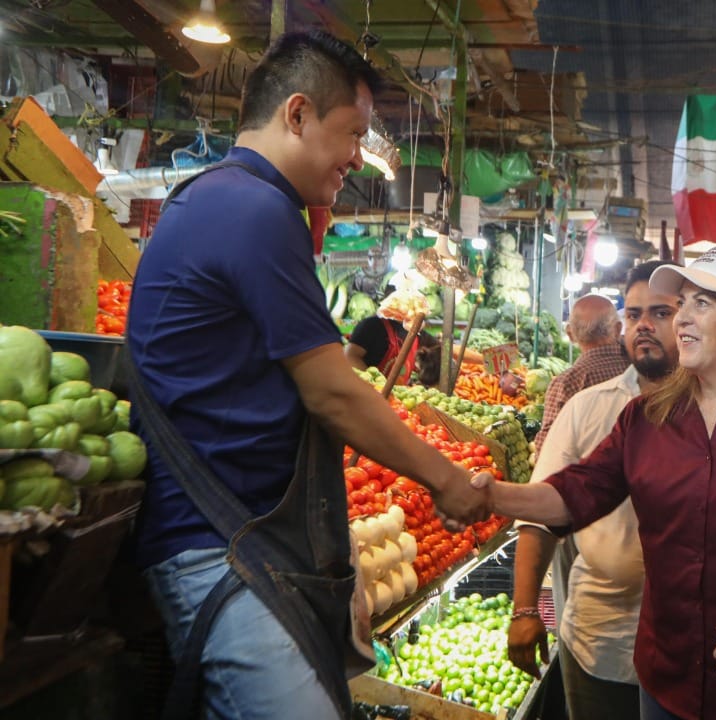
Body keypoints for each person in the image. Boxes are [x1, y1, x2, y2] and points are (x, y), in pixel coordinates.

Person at [126, 31, 488, 720]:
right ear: (297, 115)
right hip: (220, 546)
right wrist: (445, 480)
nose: (359, 157)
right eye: (353, 133)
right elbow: (330, 389)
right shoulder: (253, 210)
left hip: (241, 540)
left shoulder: (227, 202)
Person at [472, 245, 716, 720]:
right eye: (681, 303)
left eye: (702, 303)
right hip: (666, 684)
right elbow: (576, 493)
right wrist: (492, 495)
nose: (681, 318)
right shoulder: (647, 417)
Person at [508, 261, 680, 720]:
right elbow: (544, 508)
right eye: (634, 314)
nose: (643, 325)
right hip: (602, 640)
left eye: (661, 312)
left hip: (690, 650)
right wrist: (525, 610)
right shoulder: (588, 408)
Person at [532, 293, 629, 453]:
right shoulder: (640, 365)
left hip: (588, 474)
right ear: (618, 329)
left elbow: (546, 448)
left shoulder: (566, 383)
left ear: (570, 334)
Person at [345, 312, 442, 386]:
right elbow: (350, 355)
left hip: (395, 401)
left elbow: (443, 351)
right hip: (366, 395)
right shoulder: (371, 325)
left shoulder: (417, 334)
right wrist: (372, 386)